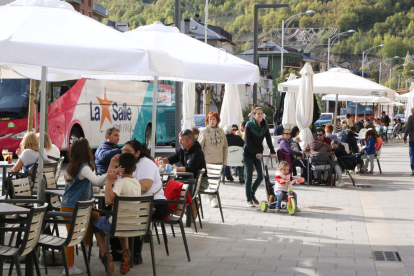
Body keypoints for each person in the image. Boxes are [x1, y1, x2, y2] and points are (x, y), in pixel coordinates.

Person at [60, 139, 107, 275]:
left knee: (94, 216)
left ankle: (86, 245)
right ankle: (69, 267)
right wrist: (109, 174)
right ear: (85, 152)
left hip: (69, 206)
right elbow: (97, 181)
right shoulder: (84, 168)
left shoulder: (72, 166)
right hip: (73, 208)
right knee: (72, 237)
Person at [94, 153, 139, 275]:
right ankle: (126, 252)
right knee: (121, 221)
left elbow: (108, 201)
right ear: (135, 169)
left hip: (118, 223)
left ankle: (105, 256)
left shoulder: (120, 183)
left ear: (120, 168)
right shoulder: (137, 183)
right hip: (134, 224)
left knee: (96, 224)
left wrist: (109, 180)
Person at [244, 107, 276, 207]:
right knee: (249, 176)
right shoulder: (249, 125)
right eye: (258, 114)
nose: (260, 115)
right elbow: (247, 142)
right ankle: (249, 199)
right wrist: (255, 152)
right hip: (248, 153)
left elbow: (269, 140)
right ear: (254, 116)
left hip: (259, 154)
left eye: (261, 113)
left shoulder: (264, 125)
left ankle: (252, 193)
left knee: (261, 175)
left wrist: (272, 151)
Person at [198, 112, 228, 207]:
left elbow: (225, 146)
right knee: (208, 181)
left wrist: (225, 160)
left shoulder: (221, 131)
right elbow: (199, 147)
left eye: (213, 119)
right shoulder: (204, 131)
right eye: (210, 119)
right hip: (207, 161)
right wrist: (200, 161)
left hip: (219, 160)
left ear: (217, 120)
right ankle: (212, 198)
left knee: (216, 181)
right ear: (207, 120)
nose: (212, 121)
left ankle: (213, 197)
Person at [404, 107, 414, 175]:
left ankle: (413, 168)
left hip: (412, 139)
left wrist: (405, 137)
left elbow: (408, 128)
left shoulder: (411, 118)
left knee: (412, 154)